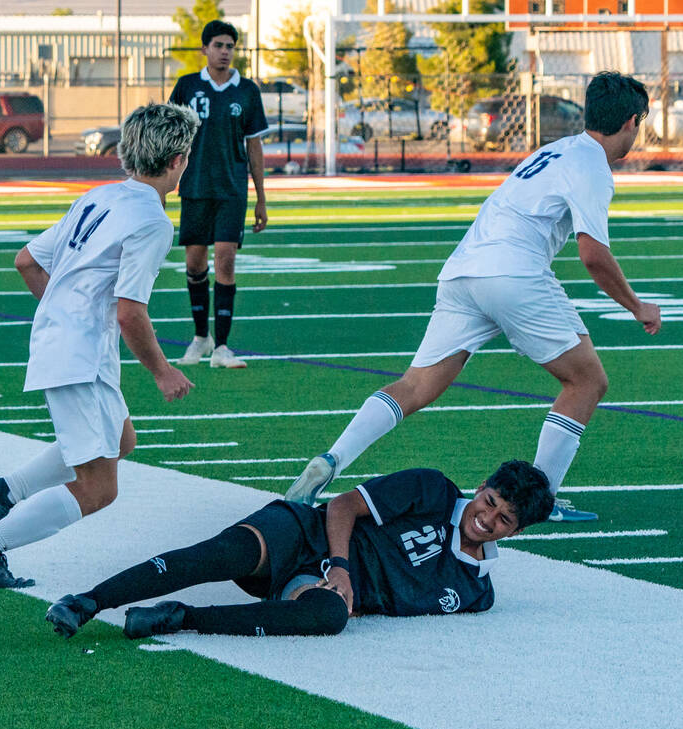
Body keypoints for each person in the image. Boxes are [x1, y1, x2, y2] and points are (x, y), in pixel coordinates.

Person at [283, 71, 662, 523]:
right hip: (513, 272)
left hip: (463, 270)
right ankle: (539, 502)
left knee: (414, 386)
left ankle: (331, 459)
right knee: (586, 382)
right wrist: (636, 305)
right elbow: (593, 254)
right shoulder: (593, 165)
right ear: (632, 121)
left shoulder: (553, 150)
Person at [0, 103, 199, 588]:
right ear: (177, 160)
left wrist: (67, 313)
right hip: (80, 354)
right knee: (99, 488)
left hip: (72, 346)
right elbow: (130, 310)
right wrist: (163, 371)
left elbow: (27, 261)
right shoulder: (153, 219)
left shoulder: (99, 195)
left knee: (121, 440)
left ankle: (3, 490)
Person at [45, 460, 553, 639]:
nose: (486, 518)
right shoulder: (433, 490)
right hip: (308, 534)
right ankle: (88, 602)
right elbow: (341, 508)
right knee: (217, 555)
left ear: (517, 531)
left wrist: (338, 587)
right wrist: (341, 566)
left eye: (504, 519)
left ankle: (180, 618)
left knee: (329, 619)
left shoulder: (474, 592)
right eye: (488, 502)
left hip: (321, 585)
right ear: (482, 485)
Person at [169, 19, 269, 369]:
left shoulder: (247, 91)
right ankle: (201, 337)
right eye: (218, 46)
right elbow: (171, 139)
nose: (225, 52)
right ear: (205, 49)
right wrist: (163, 183)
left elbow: (254, 146)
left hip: (231, 189)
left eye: (229, 46)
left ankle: (223, 346)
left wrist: (261, 197)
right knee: (195, 263)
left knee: (225, 259)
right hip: (195, 187)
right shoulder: (186, 86)